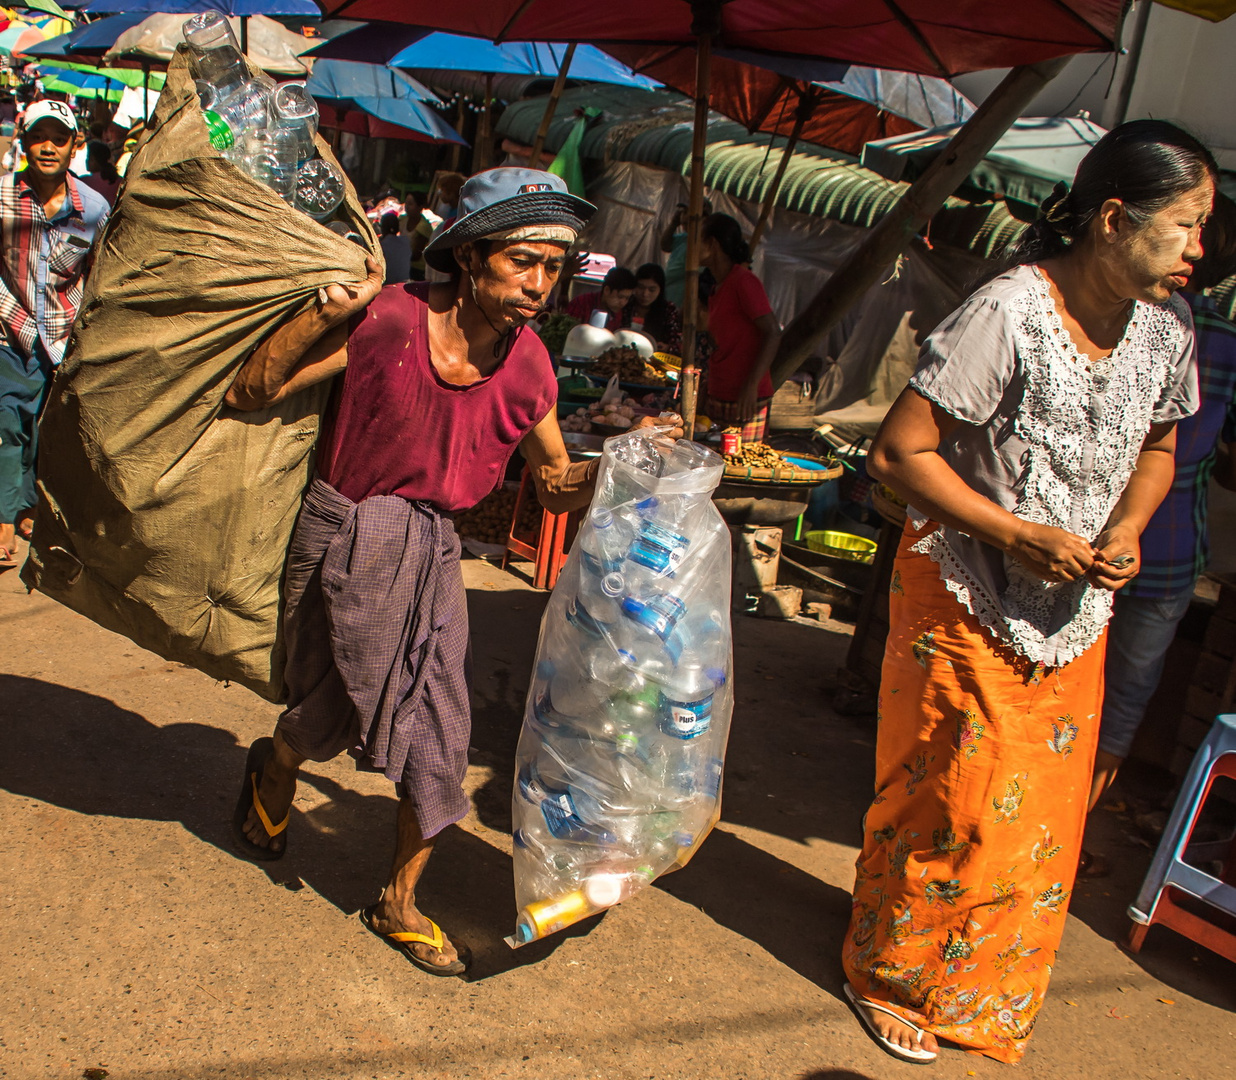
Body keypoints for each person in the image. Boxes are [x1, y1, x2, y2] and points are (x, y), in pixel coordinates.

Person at [223, 167, 681, 976]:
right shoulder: (389, 321)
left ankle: (396, 901)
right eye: (521, 262)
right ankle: (276, 764)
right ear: (469, 258)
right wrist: (327, 312)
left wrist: (626, 461)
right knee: (323, 713)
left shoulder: (533, 366)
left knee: (439, 732)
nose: (540, 284)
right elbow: (254, 389)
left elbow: (553, 485)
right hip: (343, 539)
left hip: (431, 553)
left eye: (553, 266)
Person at [842, 119, 1212, 1066]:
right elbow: (898, 452)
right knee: (951, 797)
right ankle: (889, 973)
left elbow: (1159, 451)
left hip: (1072, 607)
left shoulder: (1169, 333)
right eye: (1189, 225)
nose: (1202, 250)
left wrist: (1123, 530)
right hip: (965, 588)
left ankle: (978, 983)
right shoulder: (1008, 311)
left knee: (1039, 811)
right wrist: (1014, 534)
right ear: (1116, 219)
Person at [1083, 196, 1236, 859]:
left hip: (1088, 541)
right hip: (1169, 551)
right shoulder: (1226, 346)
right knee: (1121, 699)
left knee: (1057, 684)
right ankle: (1070, 836)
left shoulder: (1120, 321)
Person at [0, 101, 109, 570]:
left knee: (44, 430)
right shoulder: (2, 197)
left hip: (64, 338)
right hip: (9, 331)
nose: (48, 147)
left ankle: (25, 508)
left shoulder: (94, 209)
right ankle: (5, 519)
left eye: (59, 138)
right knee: (7, 423)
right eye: (39, 137)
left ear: (74, 145)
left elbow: (100, 274)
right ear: (24, 142)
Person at [699, 213, 781, 443]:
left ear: (712, 244)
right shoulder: (718, 287)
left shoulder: (743, 282)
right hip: (719, 394)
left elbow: (773, 333)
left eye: (696, 240)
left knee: (739, 470)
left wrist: (751, 386)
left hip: (745, 399)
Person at [659, 198, 711, 307]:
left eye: (688, 212)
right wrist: (673, 224)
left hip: (684, 304)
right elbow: (665, 245)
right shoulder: (684, 238)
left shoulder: (705, 243)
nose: (684, 216)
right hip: (669, 298)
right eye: (683, 212)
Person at [626, 262, 681, 354]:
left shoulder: (668, 310)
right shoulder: (626, 303)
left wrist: (667, 348)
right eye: (641, 287)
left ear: (660, 290)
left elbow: (676, 342)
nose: (645, 294)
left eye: (652, 290)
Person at [563, 265, 636, 331]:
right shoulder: (581, 304)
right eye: (620, 297)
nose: (623, 302)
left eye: (627, 298)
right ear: (607, 290)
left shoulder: (621, 314)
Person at [403, 189, 438, 282]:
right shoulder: (402, 220)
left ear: (420, 207)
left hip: (417, 270)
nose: (406, 207)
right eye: (406, 203)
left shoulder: (424, 227)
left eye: (410, 204)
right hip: (405, 264)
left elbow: (416, 254)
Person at [79, 139, 121, 206]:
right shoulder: (120, 181)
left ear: (95, 160)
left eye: (89, 157)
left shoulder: (84, 182)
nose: (87, 160)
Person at [378, 210, 410, 284]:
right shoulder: (406, 242)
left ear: (382, 228)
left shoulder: (382, 246)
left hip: (387, 285)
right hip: (404, 284)